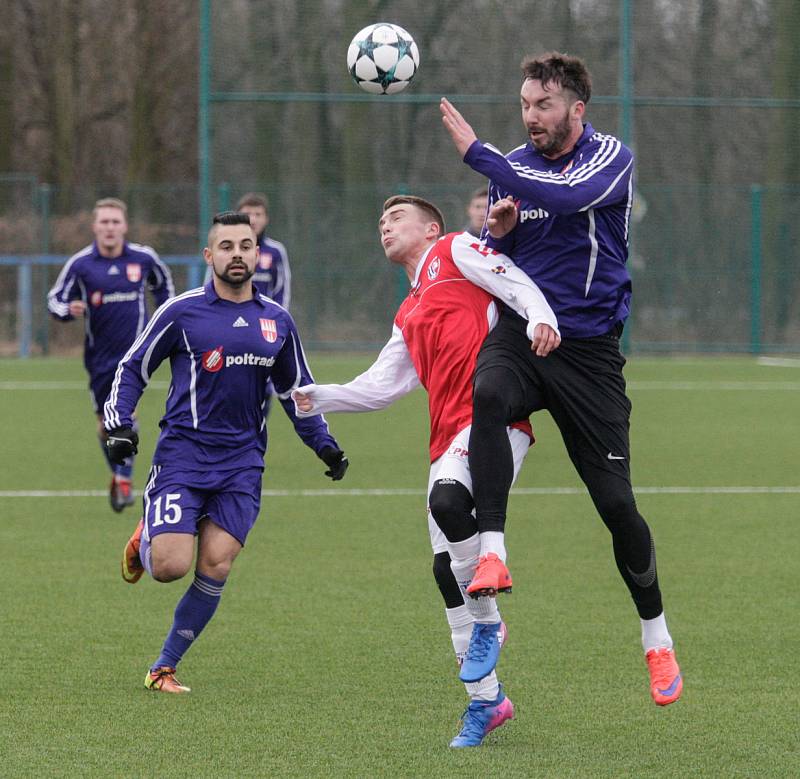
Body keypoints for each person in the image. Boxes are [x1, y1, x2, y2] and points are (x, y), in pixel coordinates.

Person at [440, 52, 682, 706]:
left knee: (617, 506)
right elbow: (502, 260)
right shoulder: (512, 168)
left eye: (542, 105)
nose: (531, 117)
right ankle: (492, 550)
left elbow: (569, 199)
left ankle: (655, 636)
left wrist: (480, 155)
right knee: (487, 392)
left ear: (577, 107)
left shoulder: (610, 160)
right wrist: (498, 232)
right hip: (522, 336)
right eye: (524, 105)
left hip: (589, 355)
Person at [292, 195, 559, 747]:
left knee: (447, 505)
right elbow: (384, 386)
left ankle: (489, 623)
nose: (384, 226)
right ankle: (487, 704)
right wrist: (321, 397)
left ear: (430, 226)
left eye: (396, 218)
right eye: (380, 220)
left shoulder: (456, 248)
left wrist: (540, 317)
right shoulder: (409, 309)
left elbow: (512, 280)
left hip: (494, 421)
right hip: (445, 438)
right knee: (446, 572)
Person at [104, 211, 348, 694]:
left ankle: (163, 668)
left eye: (246, 245)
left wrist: (324, 443)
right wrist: (119, 424)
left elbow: (297, 391)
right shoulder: (181, 311)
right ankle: (147, 536)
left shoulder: (276, 321)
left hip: (242, 464)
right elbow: (134, 368)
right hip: (182, 457)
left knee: (216, 564)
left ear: (258, 254)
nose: (237, 254)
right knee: (172, 567)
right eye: (227, 246)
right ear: (209, 255)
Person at [47, 198, 174, 512]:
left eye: (115, 222)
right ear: (95, 227)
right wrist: (68, 310)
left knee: (127, 415)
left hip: (136, 354)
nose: (109, 227)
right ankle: (119, 473)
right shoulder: (81, 264)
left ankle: (125, 479)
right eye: (104, 222)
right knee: (105, 424)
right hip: (100, 358)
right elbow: (55, 300)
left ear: (124, 226)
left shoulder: (144, 259)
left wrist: (169, 318)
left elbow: (165, 288)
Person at [204, 192, 291, 419]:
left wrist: (277, 322)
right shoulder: (221, 253)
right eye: (248, 214)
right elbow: (209, 284)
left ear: (266, 218)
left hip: (262, 325)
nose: (253, 218)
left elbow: (282, 289)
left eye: (258, 214)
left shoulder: (276, 251)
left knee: (263, 384)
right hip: (226, 323)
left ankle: (254, 432)